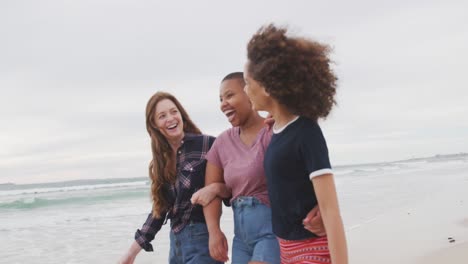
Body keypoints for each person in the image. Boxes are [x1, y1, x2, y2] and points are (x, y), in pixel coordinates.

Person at [191, 72, 326, 264]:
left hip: (272, 230)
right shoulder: (222, 143)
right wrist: (215, 232)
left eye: (229, 95)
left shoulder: (274, 130)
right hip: (241, 239)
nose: (223, 104)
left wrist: (321, 207)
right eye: (220, 99)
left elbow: (305, 174)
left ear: (249, 93)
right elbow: (211, 190)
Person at [243, 24, 348, 264]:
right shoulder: (277, 131)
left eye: (248, 83)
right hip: (286, 249)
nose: (245, 89)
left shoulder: (306, 132)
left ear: (268, 86)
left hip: (312, 249)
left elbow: (330, 211)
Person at [119, 91, 229, 264]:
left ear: (181, 114)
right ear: (154, 125)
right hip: (176, 245)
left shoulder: (207, 144)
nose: (170, 118)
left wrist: (215, 189)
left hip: (202, 239)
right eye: (162, 116)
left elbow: (235, 184)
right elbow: (159, 211)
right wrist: (132, 252)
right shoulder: (160, 163)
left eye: (173, 111)